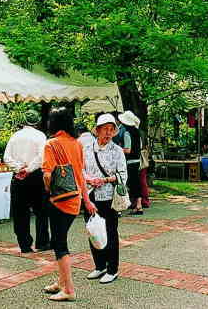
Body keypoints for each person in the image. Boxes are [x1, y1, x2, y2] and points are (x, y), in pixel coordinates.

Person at [42, 108, 95, 302]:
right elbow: (80, 175)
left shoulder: (51, 144)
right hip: (75, 201)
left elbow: (47, 174)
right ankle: (61, 282)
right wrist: (87, 201)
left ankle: (69, 289)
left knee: (59, 244)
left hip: (58, 201)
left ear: (53, 124)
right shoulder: (77, 144)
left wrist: (48, 188)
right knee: (60, 240)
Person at [83, 113, 127, 285]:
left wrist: (106, 179)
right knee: (93, 230)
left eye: (111, 129)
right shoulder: (86, 148)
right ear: (98, 130)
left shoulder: (116, 151)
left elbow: (123, 174)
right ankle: (99, 265)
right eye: (105, 129)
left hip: (109, 197)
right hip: (90, 195)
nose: (108, 133)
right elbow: (79, 169)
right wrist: (88, 179)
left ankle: (112, 269)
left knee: (110, 232)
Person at [3, 109, 50, 253]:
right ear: (37, 122)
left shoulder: (15, 136)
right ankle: (42, 242)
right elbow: (42, 157)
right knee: (41, 211)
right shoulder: (40, 136)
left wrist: (19, 168)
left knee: (20, 212)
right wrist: (29, 169)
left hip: (18, 177)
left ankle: (24, 244)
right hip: (35, 176)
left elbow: (6, 157)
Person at [119, 111, 144, 216]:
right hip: (137, 161)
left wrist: (118, 149)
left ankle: (137, 206)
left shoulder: (127, 133)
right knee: (136, 183)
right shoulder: (137, 132)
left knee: (131, 184)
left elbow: (128, 150)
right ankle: (138, 205)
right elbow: (141, 146)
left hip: (130, 162)